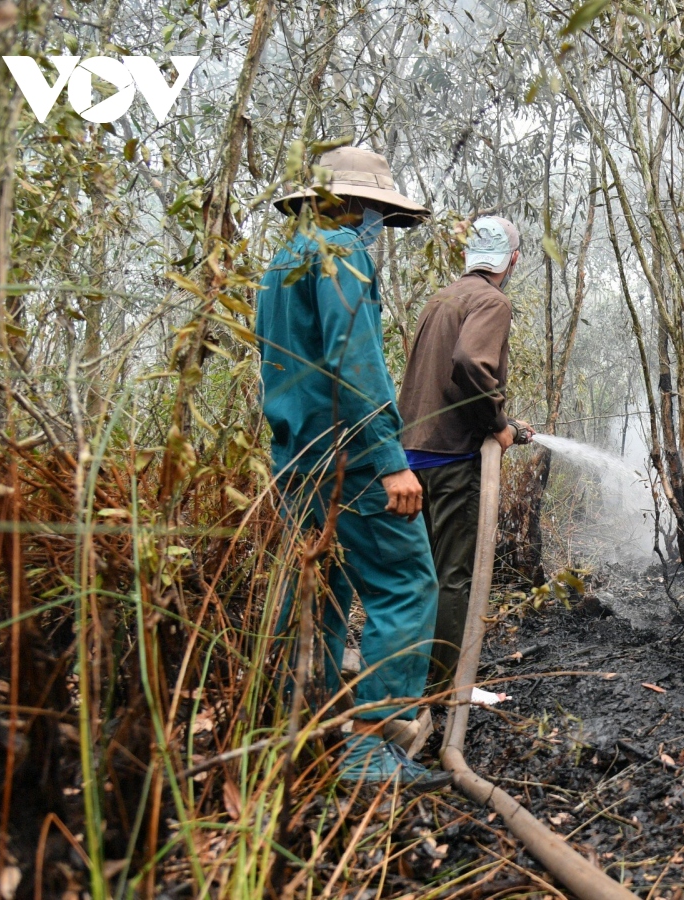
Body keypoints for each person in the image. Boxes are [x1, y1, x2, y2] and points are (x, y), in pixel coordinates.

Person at [257, 145, 450, 792]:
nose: (375, 226)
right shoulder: (341, 254)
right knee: (406, 584)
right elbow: (356, 362)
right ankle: (374, 750)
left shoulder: (281, 263)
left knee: (320, 593)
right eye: (372, 211)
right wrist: (391, 460)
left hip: (298, 460)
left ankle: (299, 739)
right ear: (348, 204)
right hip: (352, 457)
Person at [398, 215, 533, 690]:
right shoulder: (492, 301)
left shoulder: (442, 297)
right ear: (511, 260)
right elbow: (468, 365)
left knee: (422, 575)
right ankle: (444, 688)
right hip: (453, 459)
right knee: (454, 577)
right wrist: (497, 424)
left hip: (411, 456)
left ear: (467, 256)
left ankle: (409, 677)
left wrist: (508, 424)